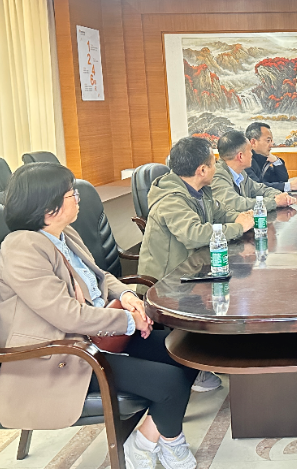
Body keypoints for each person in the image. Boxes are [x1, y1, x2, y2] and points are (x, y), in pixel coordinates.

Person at [0, 163, 200, 469]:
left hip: (100, 335)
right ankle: (169, 442)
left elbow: (100, 276)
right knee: (170, 382)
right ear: (49, 208)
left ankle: (146, 439)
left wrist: (127, 295)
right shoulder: (21, 248)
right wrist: (130, 320)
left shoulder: (64, 233)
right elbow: (67, 316)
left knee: (188, 350)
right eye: (71, 194)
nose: (77, 198)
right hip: (64, 353)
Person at [138, 136, 254, 281]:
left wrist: (241, 217)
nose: (217, 168)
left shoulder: (200, 191)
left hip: (194, 269)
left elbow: (221, 212)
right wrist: (238, 228)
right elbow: (194, 235)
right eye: (214, 164)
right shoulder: (171, 200)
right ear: (203, 170)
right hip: (167, 282)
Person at [212, 130, 296, 213]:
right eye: (250, 150)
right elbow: (236, 204)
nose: (252, 154)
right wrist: (274, 202)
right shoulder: (217, 175)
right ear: (240, 156)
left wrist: (279, 195)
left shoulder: (240, 173)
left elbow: (260, 189)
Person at [244, 122, 297, 191]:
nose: (272, 144)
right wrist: (289, 186)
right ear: (253, 142)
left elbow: (282, 179)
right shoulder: (244, 162)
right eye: (268, 140)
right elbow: (256, 187)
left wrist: (276, 161)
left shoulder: (261, 159)